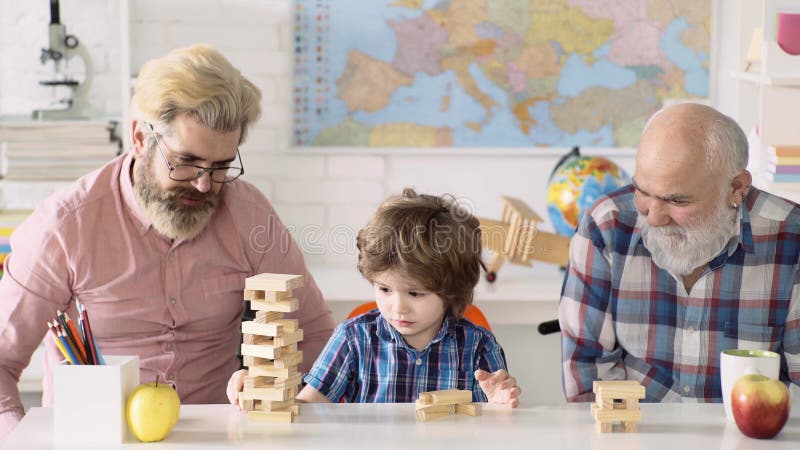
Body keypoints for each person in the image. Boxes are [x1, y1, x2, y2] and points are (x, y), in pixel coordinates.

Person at [0, 44, 335, 438]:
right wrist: (18, 438)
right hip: (98, 438)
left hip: (220, 437)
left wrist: (289, 401)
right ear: (141, 138)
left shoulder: (250, 214)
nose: (205, 184)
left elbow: (315, 335)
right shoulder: (63, 226)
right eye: (187, 161)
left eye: (222, 166)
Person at [559, 102, 800, 402]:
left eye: (677, 201)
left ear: (736, 188)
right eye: (643, 192)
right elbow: (587, 379)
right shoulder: (604, 228)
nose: (654, 217)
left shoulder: (792, 240)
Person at [227, 188, 521, 406]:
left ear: (452, 290)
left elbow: (497, 432)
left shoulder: (478, 346)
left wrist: (499, 403)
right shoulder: (354, 339)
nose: (397, 307)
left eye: (415, 293)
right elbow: (307, 409)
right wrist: (263, 391)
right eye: (384, 289)